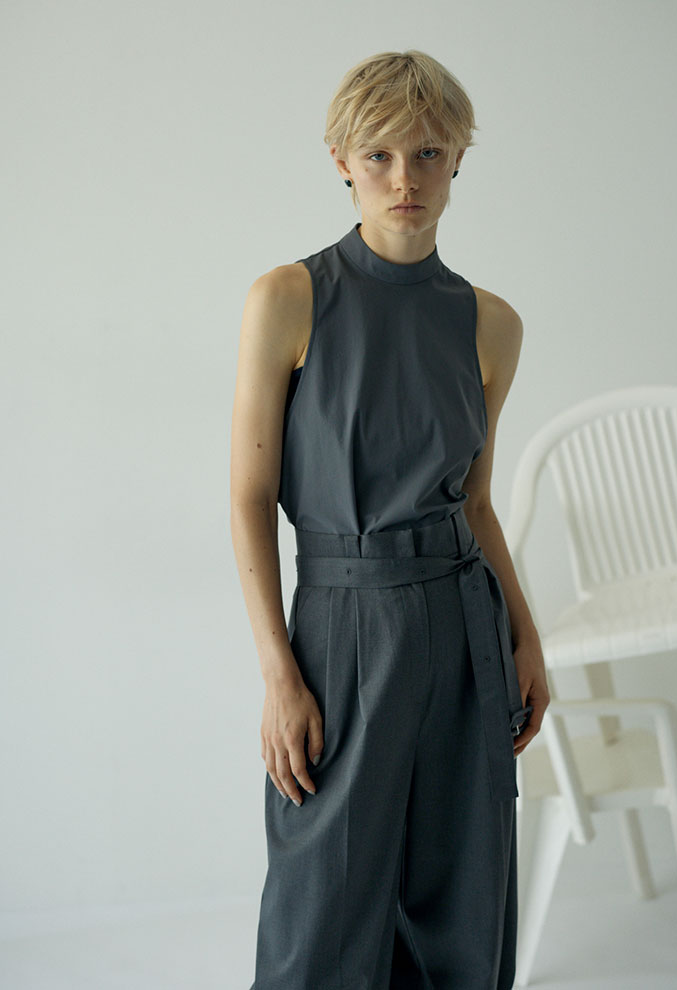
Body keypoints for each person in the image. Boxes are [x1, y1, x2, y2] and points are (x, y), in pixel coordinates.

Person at [230, 48, 550, 990]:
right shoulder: (288, 299)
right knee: (320, 913)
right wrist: (279, 674)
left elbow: (476, 502)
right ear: (341, 160)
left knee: (460, 904)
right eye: (379, 155)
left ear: (459, 161)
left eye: (428, 153)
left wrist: (526, 636)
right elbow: (248, 497)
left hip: (463, 624)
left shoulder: (491, 324)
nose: (405, 178)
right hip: (342, 623)